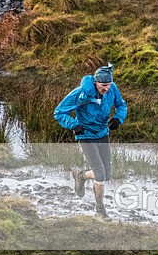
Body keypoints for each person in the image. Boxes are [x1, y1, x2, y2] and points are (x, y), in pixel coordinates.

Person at [54, 63, 127, 219]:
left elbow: (121, 105)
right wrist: (73, 125)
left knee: (107, 175)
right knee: (100, 174)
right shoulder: (80, 93)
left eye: (109, 84)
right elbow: (59, 112)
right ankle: (100, 210)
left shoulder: (112, 89)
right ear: (95, 82)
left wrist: (118, 118)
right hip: (85, 135)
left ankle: (80, 176)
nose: (107, 88)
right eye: (103, 85)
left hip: (103, 133)